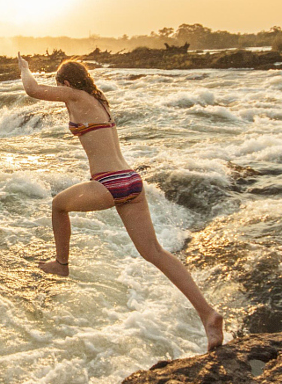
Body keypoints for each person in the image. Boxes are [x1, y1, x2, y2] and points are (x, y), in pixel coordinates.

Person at [17, 53, 224, 351]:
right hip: (132, 182)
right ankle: (208, 314)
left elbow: (32, 90)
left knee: (58, 205)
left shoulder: (74, 95)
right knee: (154, 252)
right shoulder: (98, 100)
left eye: (60, 86)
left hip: (108, 183)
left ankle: (61, 264)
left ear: (65, 82)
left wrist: (24, 69)